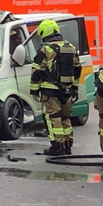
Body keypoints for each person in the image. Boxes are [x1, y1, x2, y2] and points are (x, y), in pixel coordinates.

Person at [29, 19, 80, 156]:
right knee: (65, 118)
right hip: (67, 89)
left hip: (50, 90)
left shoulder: (45, 49)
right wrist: (74, 88)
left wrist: (34, 89)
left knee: (52, 118)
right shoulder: (71, 47)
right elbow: (77, 69)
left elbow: (37, 72)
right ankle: (67, 145)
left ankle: (57, 146)